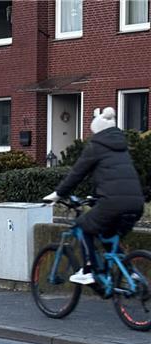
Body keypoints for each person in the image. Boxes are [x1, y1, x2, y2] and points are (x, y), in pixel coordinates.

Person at [45, 107, 145, 285]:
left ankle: (89, 270)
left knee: (82, 226)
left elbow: (77, 173)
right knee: (107, 235)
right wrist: (96, 197)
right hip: (136, 204)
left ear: (96, 130)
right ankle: (131, 273)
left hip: (114, 204)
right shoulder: (122, 148)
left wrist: (58, 194)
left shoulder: (96, 146)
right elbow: (113, 179)